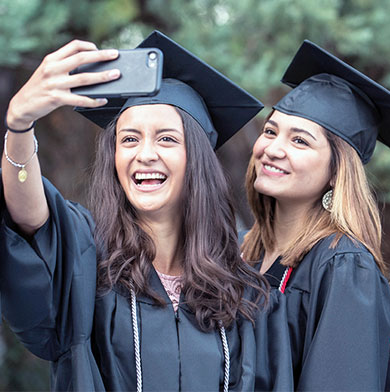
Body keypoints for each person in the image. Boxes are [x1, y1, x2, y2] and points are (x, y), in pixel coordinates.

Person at [0, 31, 293, 391]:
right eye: (129, 139)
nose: (145, 153)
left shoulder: (246, 293)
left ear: (196, 160)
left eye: (167, 138)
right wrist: (19, 124)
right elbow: (30, 216)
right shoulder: (88, 268)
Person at [241, 39, 390, 390]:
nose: (273, 149)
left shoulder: (344, 266)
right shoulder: (245, 252)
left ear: (337, 172)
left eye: (300, 141)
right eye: (270, 131)